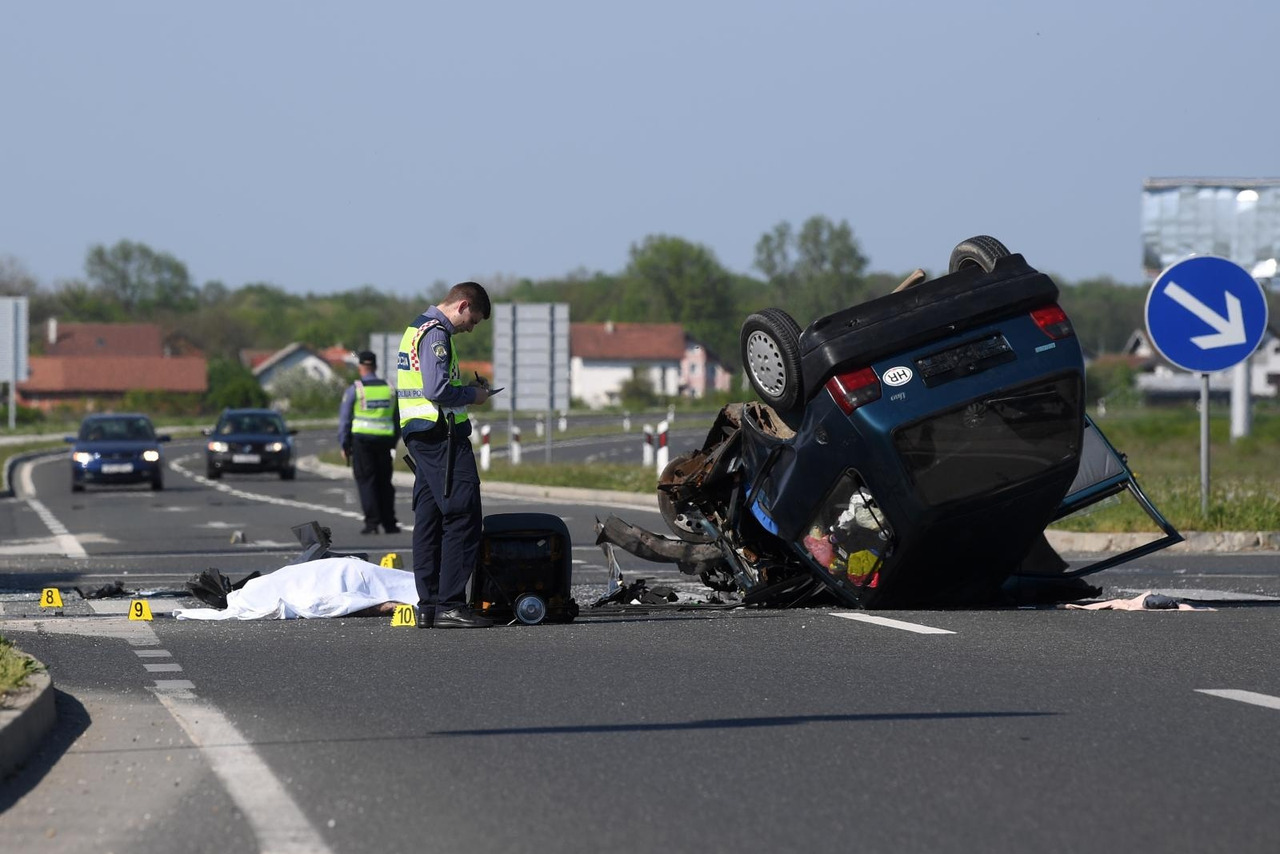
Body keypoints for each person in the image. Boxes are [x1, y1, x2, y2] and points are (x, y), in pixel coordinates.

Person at [397, 281, 493, 629]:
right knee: (462, 514)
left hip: (421, 435)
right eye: (474, 320)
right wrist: (474, 394)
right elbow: (436, 389)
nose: (470, 328)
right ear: (463, 305)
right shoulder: (437, 334)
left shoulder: (416, 328)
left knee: (430, 518)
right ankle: (451, 605)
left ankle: (430, 606)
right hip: (441, 436)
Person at [338, 350, 401, 534]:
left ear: (360, 367)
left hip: (362, 442)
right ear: (375, 366)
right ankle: (390, 523)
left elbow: (345, 420)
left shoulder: (356, 389)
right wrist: (394, 440)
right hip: (384, 441)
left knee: (367, 481)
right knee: (384, 482)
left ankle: (372, 523)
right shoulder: (389, 388)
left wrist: (344, 443)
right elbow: (397, 419)